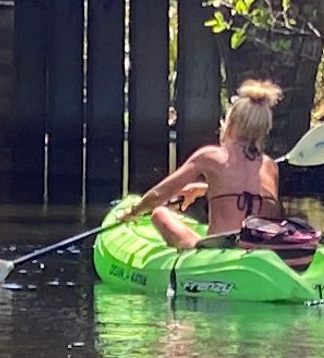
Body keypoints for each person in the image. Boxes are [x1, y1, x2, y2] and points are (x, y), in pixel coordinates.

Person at [120, 79, 284, 249]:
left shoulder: (211, 156)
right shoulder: (270, 165)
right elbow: (253, 196)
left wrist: (132, 212)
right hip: (259, 250)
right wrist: (205, 189)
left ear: (231, 124)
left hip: (219, 250)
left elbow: (157, 195)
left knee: (160, 213)